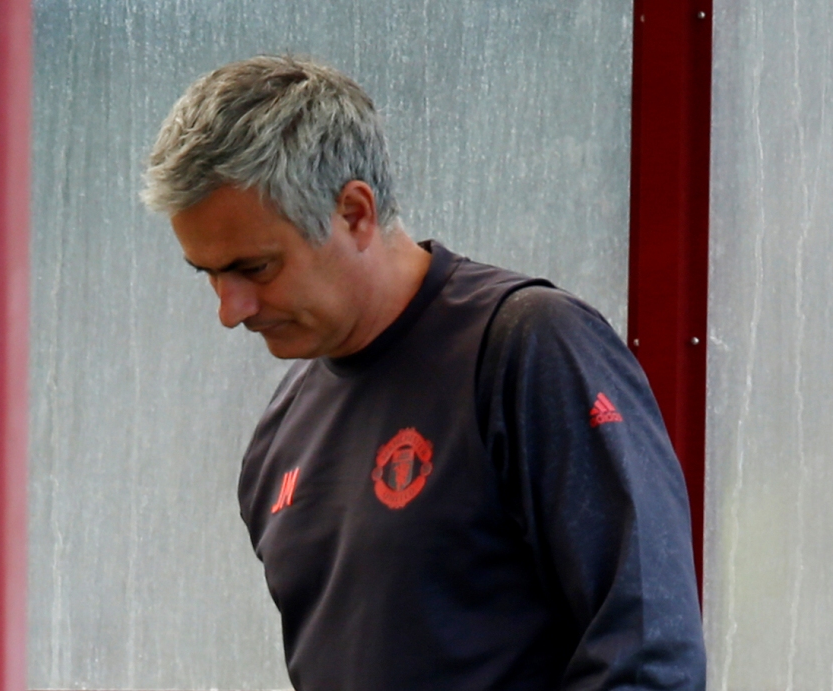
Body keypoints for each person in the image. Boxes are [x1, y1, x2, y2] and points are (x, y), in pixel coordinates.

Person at [142, 55, 706, 690]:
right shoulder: (281, 434)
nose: (230, 310)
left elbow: (648, 654)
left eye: (255, 268)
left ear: (355, 212)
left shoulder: (527, 347)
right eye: (210, 274)